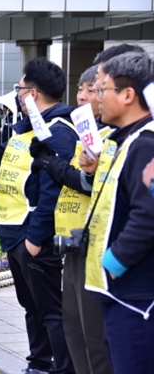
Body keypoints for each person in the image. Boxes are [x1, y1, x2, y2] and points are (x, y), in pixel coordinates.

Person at [0, 57, 76, 374]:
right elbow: (4, 166)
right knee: (32, 306)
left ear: (33, 92)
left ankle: (62, 368)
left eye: (20, 88)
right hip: (14, 232)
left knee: (49, 310)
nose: (16, 94)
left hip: (32, 235)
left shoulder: (57, 132)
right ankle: (39, 363)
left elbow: (52, 192)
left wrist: (35, 239)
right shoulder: (28, 128)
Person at [30, 63, 113, 374]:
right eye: (81, 90)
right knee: (74, 327)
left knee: (94, 336)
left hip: (98, 247)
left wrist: (53, 165)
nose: (83, 97)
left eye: (93, 91)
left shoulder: (120, 138)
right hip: (74, 241)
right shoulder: (85, 130)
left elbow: (88, 184)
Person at [79, 52, 154, 374]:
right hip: (118, 290)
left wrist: (112, 263)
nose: (95, 98)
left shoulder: (145, 144)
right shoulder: (122, 139)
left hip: (135, 293)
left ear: (127, 95)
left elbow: (148, 216)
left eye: (101, 89)